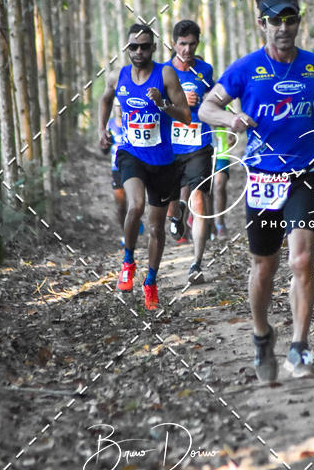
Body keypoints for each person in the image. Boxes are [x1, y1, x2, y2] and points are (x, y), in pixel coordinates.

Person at [199, 0, 314, 382]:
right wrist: (231, 119)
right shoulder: (245, 69)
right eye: (275, 20)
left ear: (298, 21)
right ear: (262, 23)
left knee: (301, 260)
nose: (283, 28)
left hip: (304, 172)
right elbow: (207, 106)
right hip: (263, 177)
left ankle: (299, 346)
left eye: (290, 19)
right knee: (265, 267)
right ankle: (262, 335)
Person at [98, 24, 191, 309]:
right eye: (133, 47)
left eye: (144, 46)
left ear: (153, 48)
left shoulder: (166, 74)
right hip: (131, 153)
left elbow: (186, 115)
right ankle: (128, 262)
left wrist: (163, 104)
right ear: (127, 49)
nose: (139, 51)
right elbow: (105, 98)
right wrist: (101, 129)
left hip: (162, 160)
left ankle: (150, 281)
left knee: (156, 228)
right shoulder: (118, 76)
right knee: (135, 206)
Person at [166, 19, 215, 283]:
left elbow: (215, 98)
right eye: (182, 44)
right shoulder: (163, 72)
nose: (187, 50)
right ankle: (176, 215)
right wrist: (179, 101)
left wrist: (207, 101)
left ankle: (196, 264)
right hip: (171, 147)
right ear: (174, 43)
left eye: (192, 44)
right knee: (170, 205)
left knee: (199, 202)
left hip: (199, 144)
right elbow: (154, 106)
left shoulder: (204, 70)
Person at [104, 103, 144, 246]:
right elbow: (104, 150)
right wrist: (105, 142)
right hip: (116, 168)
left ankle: (135, 222)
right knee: (121, 206)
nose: (120, 110)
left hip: (133, 167)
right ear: (114, 108)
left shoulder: (134, 122)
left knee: (135, 202)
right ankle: (125, 234)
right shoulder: (109, 125)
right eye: (117, 107)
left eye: (122, 106)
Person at [212, 127, 232, 240]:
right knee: (206, 189)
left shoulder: (225, 109)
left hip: (221, 151)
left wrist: (232, 131)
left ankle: (220, 223)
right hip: (201, 148)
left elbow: (232, 120)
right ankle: (209, 225)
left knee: (219, 185)